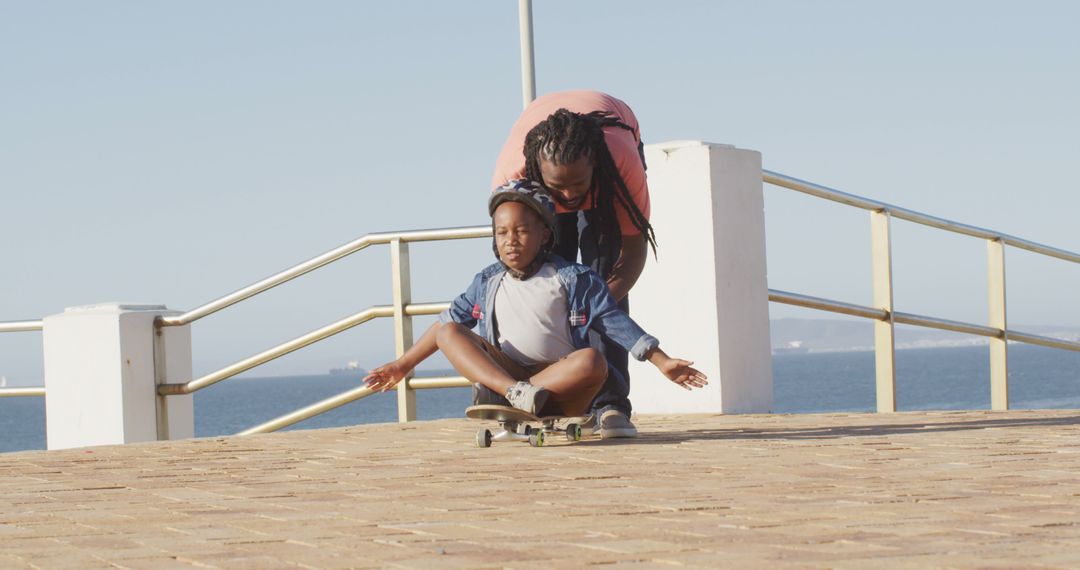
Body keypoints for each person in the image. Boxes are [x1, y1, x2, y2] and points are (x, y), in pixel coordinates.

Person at [363, 180, 705, 422]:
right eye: (502, 233)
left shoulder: (574, 277)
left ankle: (515, 395)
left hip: (559, 388)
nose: (511, 241)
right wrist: (403, 365)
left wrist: (661, 360)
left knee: (593, 361)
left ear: (545, 234)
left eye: (522, 231)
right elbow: (442, 327)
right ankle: (512, 393)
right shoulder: (486, 281)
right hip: (509, 377)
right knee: (449, 330)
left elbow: (616, 323)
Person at [491, 90, 653, 436]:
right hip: (538, 161)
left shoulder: (619, 162)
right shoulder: (514, 175)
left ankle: (611, 405)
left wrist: (595, 304)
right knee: (541, 282)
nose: (568, 196)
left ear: (594, 162)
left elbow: (634, 251)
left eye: (577, 184)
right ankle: (538, 396)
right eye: (557, 188)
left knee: (604, 275)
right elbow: (514, 262)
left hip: (610, 162)